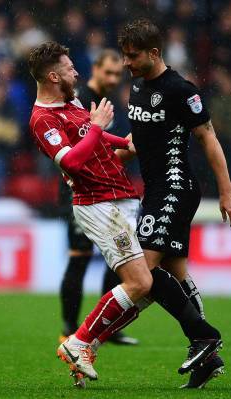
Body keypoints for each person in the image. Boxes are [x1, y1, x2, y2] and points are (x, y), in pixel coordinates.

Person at [27, 41, 223, 388]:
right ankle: (80, 340)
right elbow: (72, 160)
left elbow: (96, 143)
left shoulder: (71, 103)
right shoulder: (42, 119)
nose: (76, 71)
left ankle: (199, 343)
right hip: (97, 204)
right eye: (70, 67)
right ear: (54, 75)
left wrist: (123, 143)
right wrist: (99, 127)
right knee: (141, 281)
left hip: (122, 197)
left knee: (150, 281)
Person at [115, 19, 231, 388]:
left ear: (154, 53)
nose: (127, 62)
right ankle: (207, 353)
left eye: (133, 56)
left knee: (140, 272)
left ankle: (203, 336)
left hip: (175, 187)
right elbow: (137, 140)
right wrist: (94, 164)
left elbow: (208, 138)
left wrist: (227, 191)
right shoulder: (137, 87)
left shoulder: (180, 90)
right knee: (176, 273)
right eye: (125, 55)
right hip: (154, 189)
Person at [58, 49, 137, 346]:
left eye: (118, 74)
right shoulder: (79, 98)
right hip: (77, 189)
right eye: (109, 72)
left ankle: (109, 327)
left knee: (116, 259)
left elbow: (105, 152)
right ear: (95, 68)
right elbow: (77, 155)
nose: (114, 79)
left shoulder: (113, 102)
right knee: (79, 258)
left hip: (105, 189)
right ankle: (68, 328)